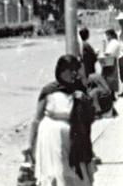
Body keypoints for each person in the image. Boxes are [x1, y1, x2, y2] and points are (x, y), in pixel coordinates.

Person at [27, 54, 96, 186]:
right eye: (71, 70)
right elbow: (36, 119)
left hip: (73, 139)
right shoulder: (49, 90)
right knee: (56, 174)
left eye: (75, 70)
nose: (74, 74)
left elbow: (89, 117)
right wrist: (30, 145)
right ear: (61, 71)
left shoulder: (78, 89)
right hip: (50, 138)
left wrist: (84, 100)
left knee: (75, 174)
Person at [100, 29, 121, 94]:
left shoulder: (114, 42)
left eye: (107, 36)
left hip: (111, 62)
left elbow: (108, 53)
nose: (107, 37)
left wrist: (103, 49)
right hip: (110, 62)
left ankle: (110, 94)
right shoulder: (113, 42)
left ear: (110, 35)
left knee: (110, 79)